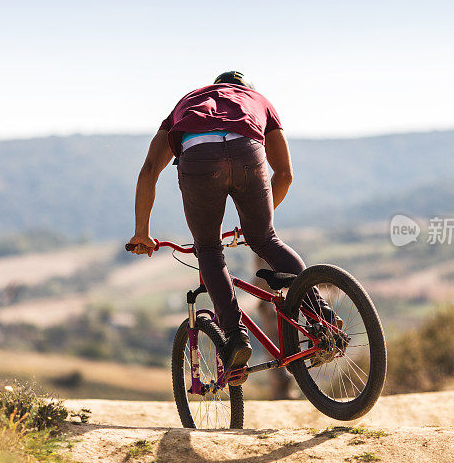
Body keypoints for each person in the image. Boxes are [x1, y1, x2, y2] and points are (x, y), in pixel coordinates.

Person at [127, 71, 317, 384]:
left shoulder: (188, 101)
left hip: (199, 157)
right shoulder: (258, 101)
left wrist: (141, 232)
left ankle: (235, 338)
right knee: (267, 241)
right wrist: (256, 225)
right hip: (247, 151)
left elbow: (149, 169)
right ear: (246, 90)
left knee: (209, 250)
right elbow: (284, 175)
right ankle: (321, 315)